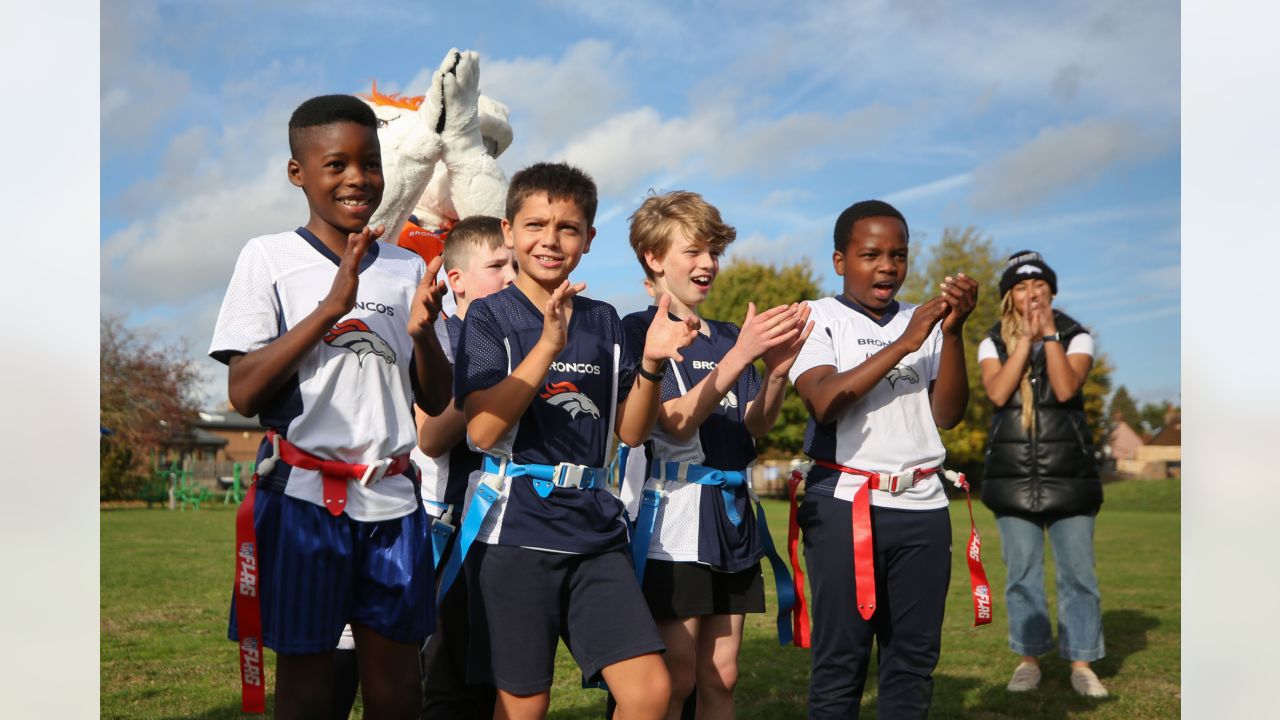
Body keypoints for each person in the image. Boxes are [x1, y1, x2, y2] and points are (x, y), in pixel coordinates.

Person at [209, 93, 453, 719]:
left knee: (399, 690)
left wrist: (425, 335)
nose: (357, 179)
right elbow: (242, 392)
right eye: (337, 164)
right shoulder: (268, 257)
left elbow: (437, 396)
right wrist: (328, 309)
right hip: (302, 502)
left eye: (369, 163)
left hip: (393, 502)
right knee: (310, 690)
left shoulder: (408, 267)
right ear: (299, 172)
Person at [446, 161, 699, 720]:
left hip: (595, 531)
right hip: (514, 535)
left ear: (588, 238)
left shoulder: (606, 320)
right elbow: (483, 432)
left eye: (568, 227)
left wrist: (653, 364)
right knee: (523, 707)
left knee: (650, 692)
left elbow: (630, 433)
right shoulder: (488, 317)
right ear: (509, 231)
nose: (550, 240)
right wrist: (546, 347)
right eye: (535, 225)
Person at [618, 190, 811, 719]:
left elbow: (756, 426)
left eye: (714, 252)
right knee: (673, 674)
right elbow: (674, 423)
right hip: (671, 518)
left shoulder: (728, 334)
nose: (708, 264)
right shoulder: (637, 330)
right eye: (694, 251)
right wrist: (741, 355)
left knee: (722, 676)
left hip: (731, 519)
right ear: (654, 258)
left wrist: (775, 372)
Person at [788, 200, 977, 719]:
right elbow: (824, 402)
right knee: (841, 662)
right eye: (870, 254)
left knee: (913, 662)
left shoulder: (928, 322)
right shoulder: (819, 317)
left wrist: (953, 331)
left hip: (922, 507)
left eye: (898, 255)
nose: (887, 266)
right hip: (845, 506)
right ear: (839, 260)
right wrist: (904, 343)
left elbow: (949, 414)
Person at [978, 250, 1108, 698]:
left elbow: (1068, 386)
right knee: (1022, 576)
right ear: (1008, 296)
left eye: (1039, 286)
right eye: (1020, 287)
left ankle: (1082, 662)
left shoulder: (1077, 336)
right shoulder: (992, 340)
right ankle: (1029, 660)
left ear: (1051, 292)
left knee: (1078, 577)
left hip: (1069, 476)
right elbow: (997, 393)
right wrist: (1021, 345)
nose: (1031, 294)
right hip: (1013, 478)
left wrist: (1049, 335)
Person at [414, 214, 515, 719]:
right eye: (498, 265)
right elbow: (430, 437)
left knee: (502, 679)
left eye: (515, 264)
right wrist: (491, 373)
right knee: (447, 683)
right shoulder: (439, 338)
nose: (512, 276)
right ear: (456, 281)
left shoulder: (528, 335)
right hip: (450, 529)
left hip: (512, 529)